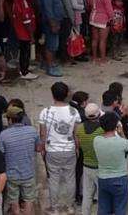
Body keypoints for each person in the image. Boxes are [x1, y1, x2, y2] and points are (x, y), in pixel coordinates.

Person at [39, 82, 81, 213]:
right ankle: (70, 206)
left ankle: (55, 207)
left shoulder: (45, 112)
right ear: (66, 94)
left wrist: (42, 148)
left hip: (52, 151)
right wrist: (77, 148)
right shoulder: (74, 112)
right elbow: (76, 133)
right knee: (70, 178)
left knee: (54, 179)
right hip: (69, 149)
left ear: (53, 94)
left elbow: (42, 133)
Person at [0, 105, 39, 215]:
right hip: (29, 172)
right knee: (29, 199)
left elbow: (1, 154)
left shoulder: (3, 135)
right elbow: (38, 148)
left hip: (12, 174)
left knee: (13, 199)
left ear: (10, 119)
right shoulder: (32, 131)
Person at [95, 111, 128, 215]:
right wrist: (122, 134)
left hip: (103, 178)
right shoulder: (122, 142)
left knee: (103, 208)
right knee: (120, 208)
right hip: (120, 178)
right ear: (116, 125)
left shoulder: (97, 140)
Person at [75, 103, 105, 215]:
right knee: (102, 195)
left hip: (86, 165)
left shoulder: (80, 128)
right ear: (98, 115)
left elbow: (78, 145)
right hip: (99, 166)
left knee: (87, 195)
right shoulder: (102, 129)